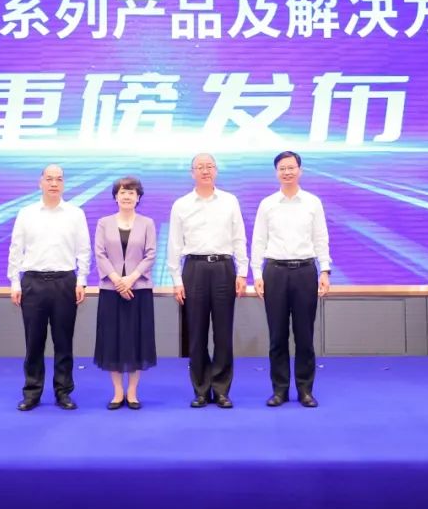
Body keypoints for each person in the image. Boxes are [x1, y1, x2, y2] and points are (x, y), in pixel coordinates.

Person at [251, 150, 331, 408]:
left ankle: (305, 390)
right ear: (277, 173)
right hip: (274, 272)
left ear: (300, 170)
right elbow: (259, 240)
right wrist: (257, 273)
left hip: (305, 272)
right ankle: (280, 390)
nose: (287, 172)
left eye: (291, 167)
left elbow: (321, 238)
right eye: (282, 168)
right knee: (277, 335)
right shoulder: (267, 204)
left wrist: (325, 270)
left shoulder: (312, 203)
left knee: (304, 335)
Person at [7, 164, 90, 411]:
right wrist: (14, 281)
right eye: (49, 179)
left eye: (59, 179)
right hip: (32, 282)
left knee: (64, 341)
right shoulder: (26, 213)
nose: (54, 183)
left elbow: (83, 249)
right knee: (34, 342)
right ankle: (32, 392)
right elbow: (16, 249)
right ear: (40, 182)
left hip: (65, 282)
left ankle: (63, 392)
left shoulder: (75, 214)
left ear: (64, 184)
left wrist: (82, 280)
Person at [168, 153, 248, 408]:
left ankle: (222, 389)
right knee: (197, 333)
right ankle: (201, 389)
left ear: (216, 170)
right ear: (192, 172)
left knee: (223, 332)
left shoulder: (229, 201)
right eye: (200, 167)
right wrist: (176, 279)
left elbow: (239, 237)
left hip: (224, 268)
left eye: (209, 166)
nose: (205, 171)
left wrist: (242, 272)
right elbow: (174, 244)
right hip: (194, 269)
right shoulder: (181, 204)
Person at [93, 176, 158, 410]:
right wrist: (116, 280)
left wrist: (130, 279)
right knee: (112, 340)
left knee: (136, 340)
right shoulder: (104, 223)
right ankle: (117, 391)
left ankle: (132, 392)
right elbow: (100, 253)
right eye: (122, 192)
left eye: (131, 192)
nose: (127, 196)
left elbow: (151, 254)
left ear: (138, 197)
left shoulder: (147, 223)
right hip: (111, 290)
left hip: (138, 289)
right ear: (115, 197)